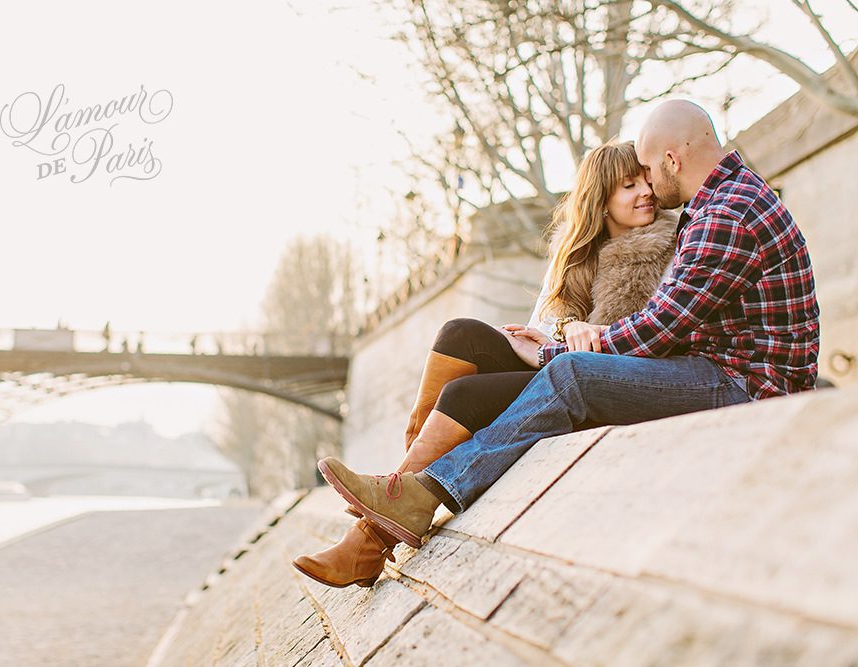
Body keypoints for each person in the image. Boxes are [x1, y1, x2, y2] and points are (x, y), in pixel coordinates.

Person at [314, 99, 819, 559]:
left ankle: (417, 497)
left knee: (570, 374)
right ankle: (398, 502)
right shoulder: (720, 205)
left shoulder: (727, 214)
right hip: (718, 371)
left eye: (645, 170)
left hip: (744, 388)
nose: (647, 185)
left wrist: (553, 353)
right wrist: (556, 340)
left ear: (671, 159)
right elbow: (666, 325)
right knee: (468, 338)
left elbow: (657, 330)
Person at [293, 140, 679, 588]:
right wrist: (559, 332)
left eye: (645, 181)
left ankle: (370, 535)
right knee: (460, 333)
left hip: (592, 381)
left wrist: (571, 339)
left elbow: (646, 341)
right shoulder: (577, 250)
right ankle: (399, 487)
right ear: (601, 198)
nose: (646, 192)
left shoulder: (662, 248)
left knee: (464, 395)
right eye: (629, 185)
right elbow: (548, 322)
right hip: (558, 361)